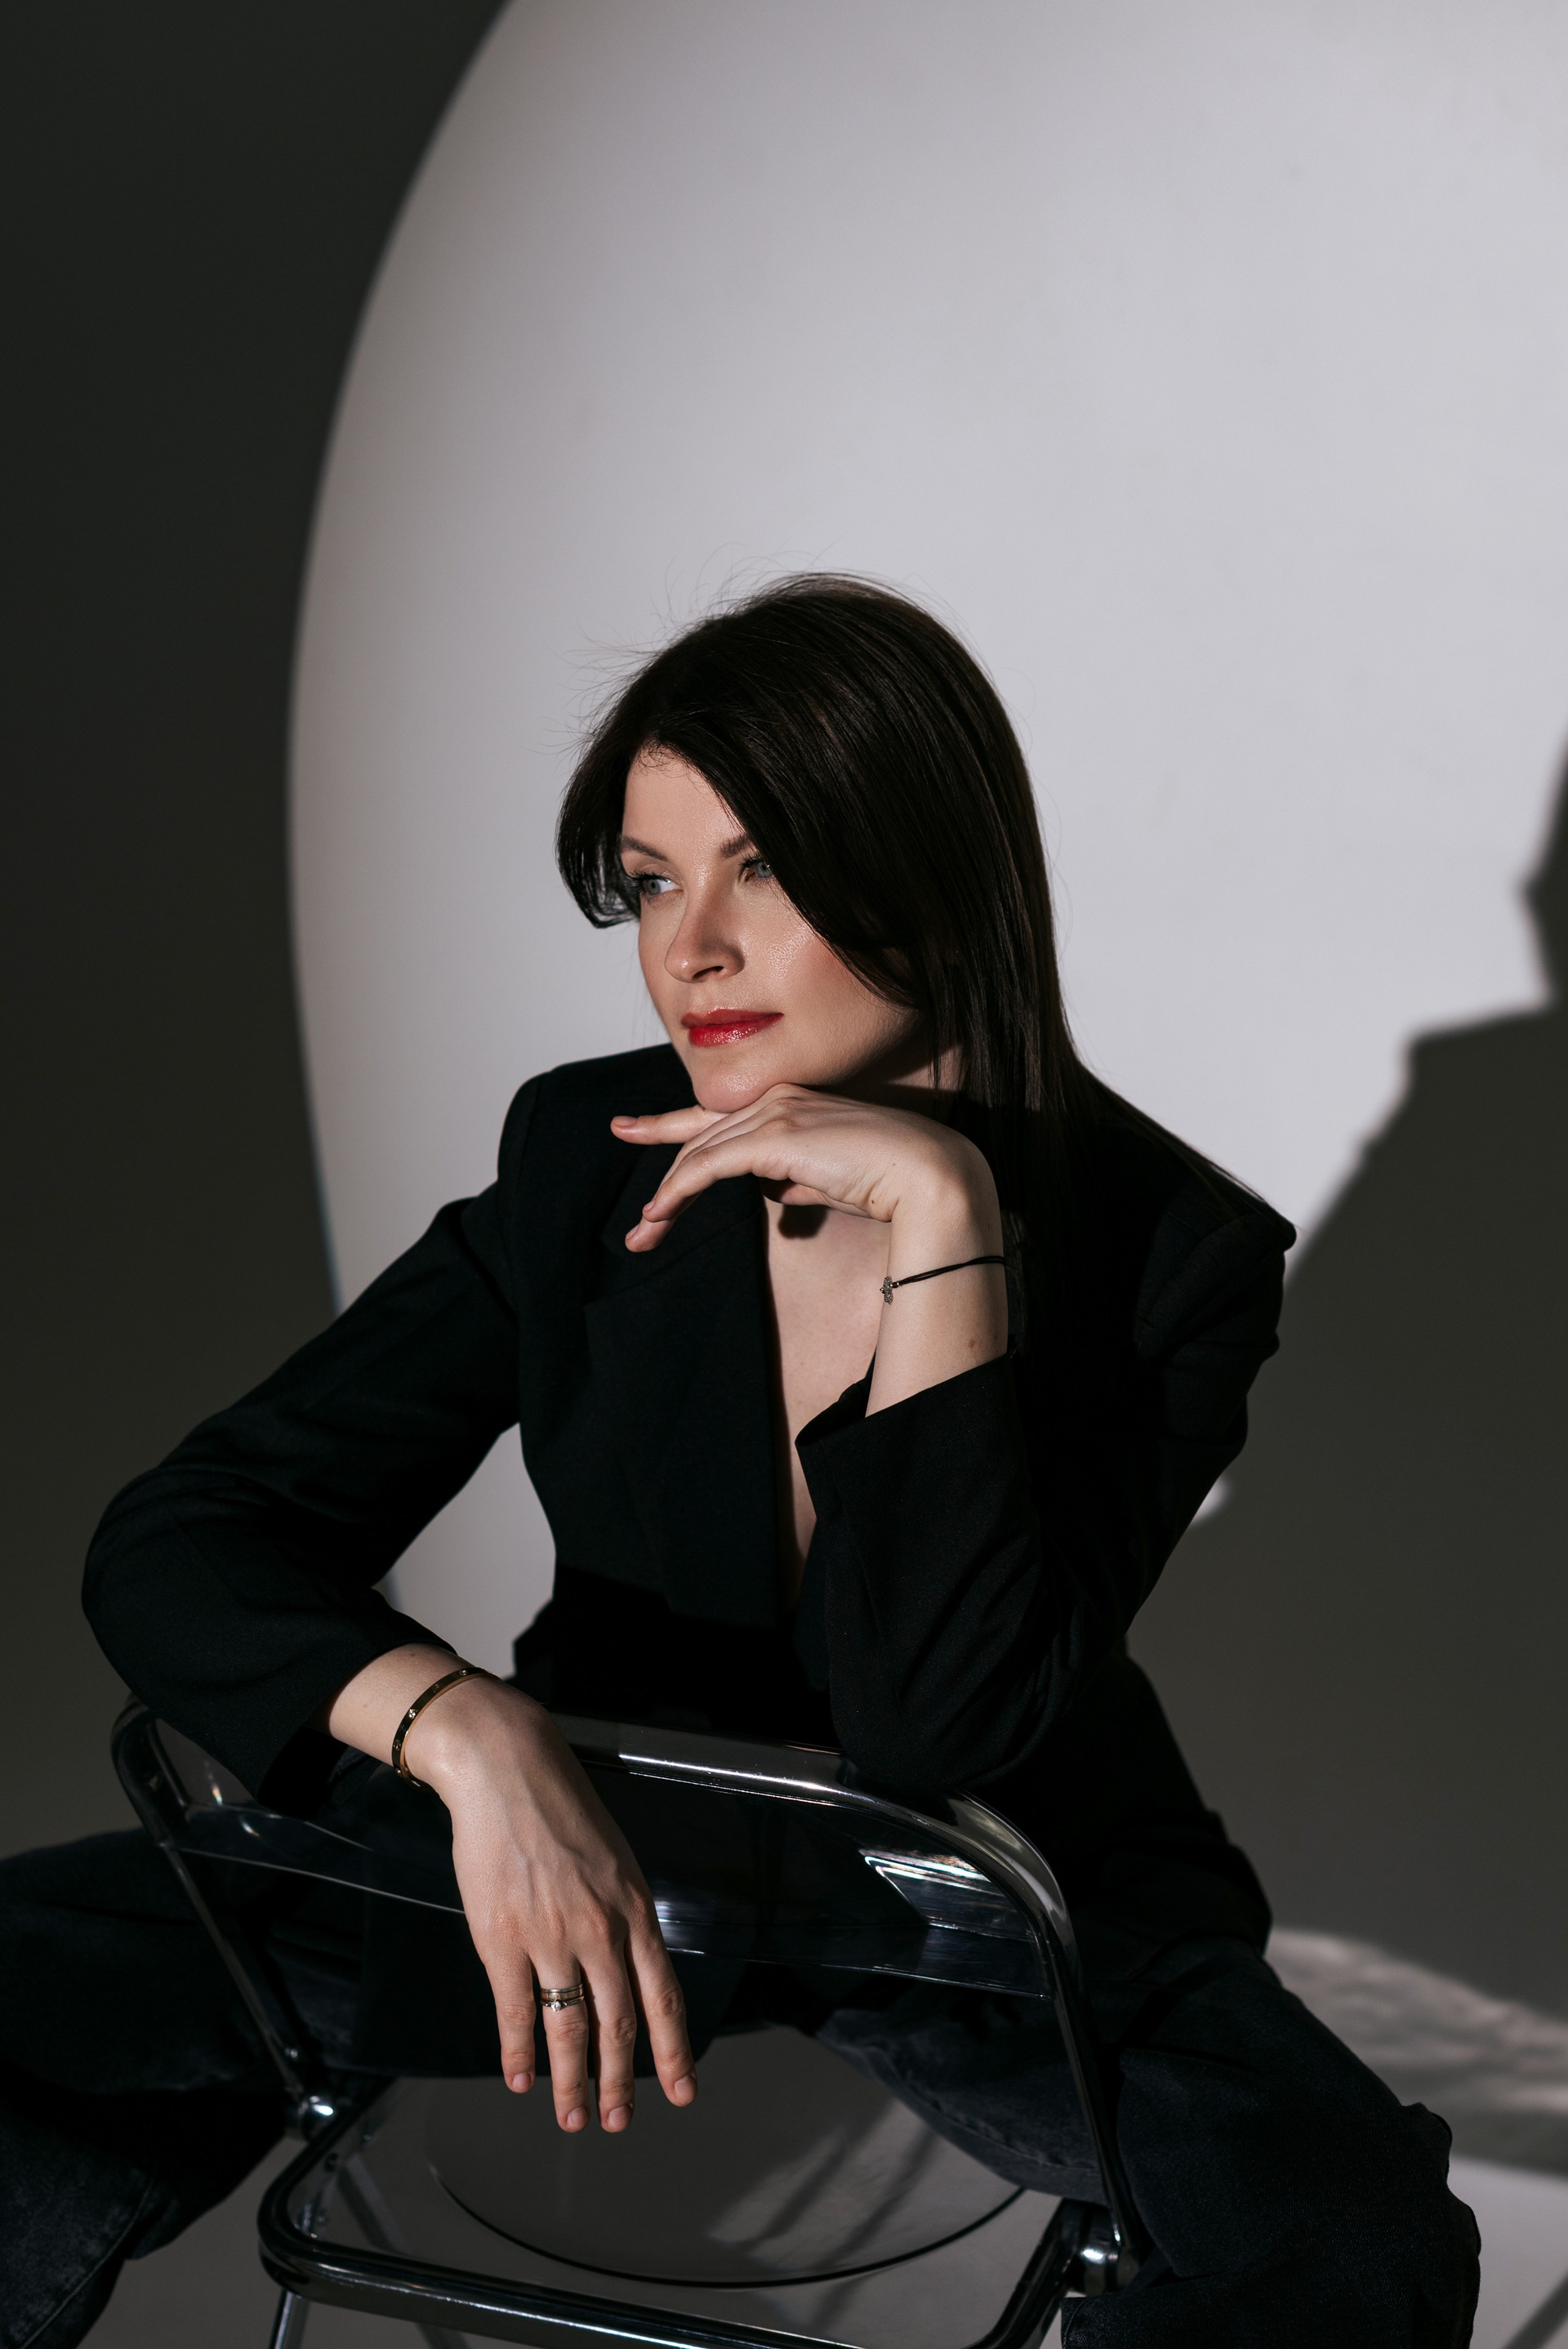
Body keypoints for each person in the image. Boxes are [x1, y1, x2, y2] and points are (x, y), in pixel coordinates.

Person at [1, 578, 1477, 2347]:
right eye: (650, 881)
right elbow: (185, 1534)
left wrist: (946, 1218)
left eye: (760, 867)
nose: (688, 947)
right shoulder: (591, 1152)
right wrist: (473, 1736)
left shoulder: (1173, 1255)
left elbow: (935, 1723)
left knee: (1354, 2238)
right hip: (593, 1847)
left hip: (998, 1907)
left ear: (941, 872)